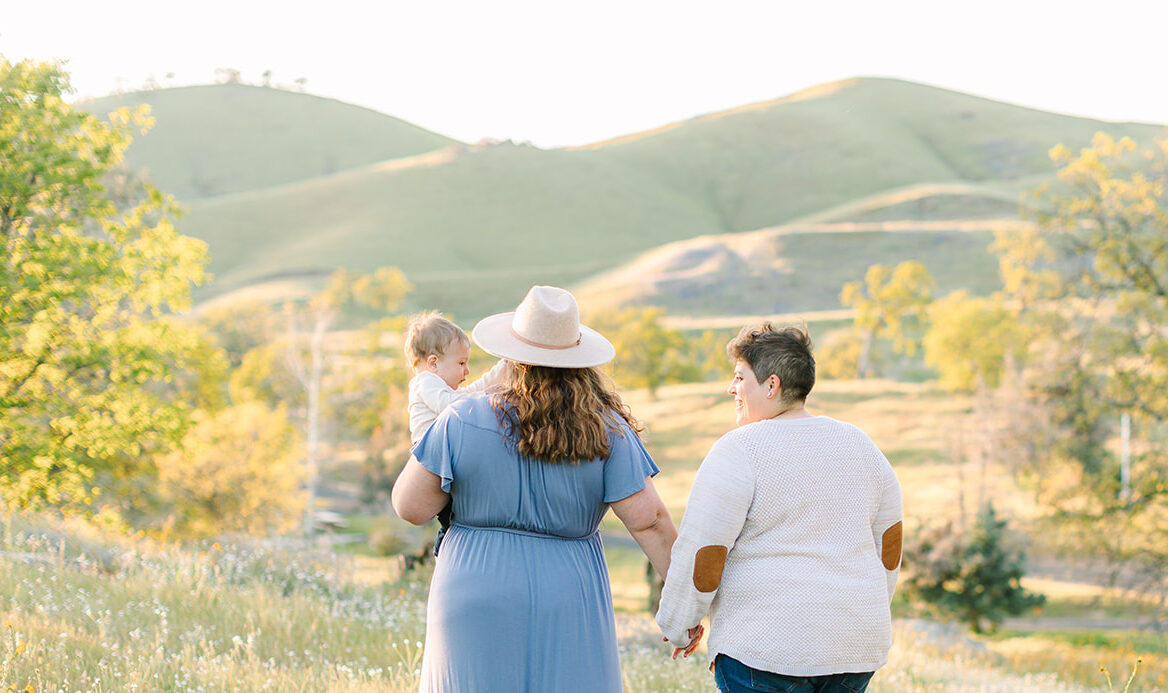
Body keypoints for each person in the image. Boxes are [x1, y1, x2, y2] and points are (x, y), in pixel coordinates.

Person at [391, 285, 679, 693]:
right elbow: (650, 521)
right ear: (579, 362)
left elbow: (410, 507)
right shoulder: (606, 429)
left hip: (475, 591)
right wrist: (686, 606)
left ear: (513, 358)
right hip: (569, 595)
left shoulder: (460, 418)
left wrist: (428, 432)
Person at [656, 322, 902, 693]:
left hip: (767, 649)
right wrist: (859, 614)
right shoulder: (861, 445)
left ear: (771, 386)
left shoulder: (740, 449)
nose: (732, 388)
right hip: (854, 646)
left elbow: (704, 549)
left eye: (740, 378)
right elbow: (889, 548)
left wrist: (679, 622)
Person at [403, 311, 507, 554]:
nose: (467, 370)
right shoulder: (425, 383)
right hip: (432, 458)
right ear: (433, 363)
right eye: (461, 363)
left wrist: (503, 368)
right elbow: (452, 405)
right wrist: (488, 397)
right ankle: (443, 551)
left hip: (445, 453)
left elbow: (472, 390)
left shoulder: (438, 384)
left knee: (456, 510)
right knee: (450, 517)